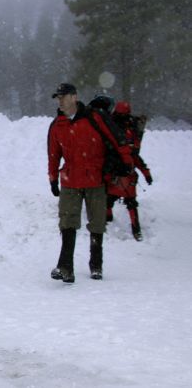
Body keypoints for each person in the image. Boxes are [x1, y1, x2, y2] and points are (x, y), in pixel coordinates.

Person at [47, 84, 133, 283]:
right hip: (70, 180)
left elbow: (116, 139)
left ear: (74, 97)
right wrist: (52, 179)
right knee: (67, 222)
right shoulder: (57, 125)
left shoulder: (94, 117)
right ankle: (65, 267)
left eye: (63, 97)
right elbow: (53, 154)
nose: (60, 101)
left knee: (97, 222)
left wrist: (126, 163)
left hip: (96, 179)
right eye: (58, 98)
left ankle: (96, 265)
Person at [106, 101, 153, 241]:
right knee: (130, 203)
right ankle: (135, 229)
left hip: (114, 174)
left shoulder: (111, 126)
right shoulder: (130, 127)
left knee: (109, 199)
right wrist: (146, 173)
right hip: (126, 174)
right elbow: (136, 157)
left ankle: (108, 219)